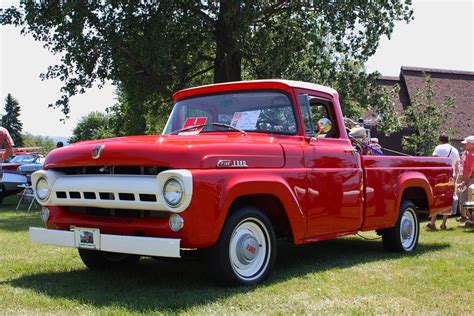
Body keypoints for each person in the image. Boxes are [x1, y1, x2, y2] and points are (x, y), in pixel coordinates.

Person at [426, 134, 460, 230]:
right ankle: (443, 224)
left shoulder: (438, 148)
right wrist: (456, 179)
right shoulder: (455, 150)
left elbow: (434, 161)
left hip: (440, 177)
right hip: (451, 177)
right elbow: (457, 167)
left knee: (438, 198)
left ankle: (432, 223)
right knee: (448, 199)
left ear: (440, 140)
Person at [459, 135, 474, 227]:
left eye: (466, 144)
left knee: (467, 200)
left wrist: (464, 182)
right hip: (471, 179)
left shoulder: (470, 155)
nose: (465, 146)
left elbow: (469, 170)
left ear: (472, 144)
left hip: (471, 180)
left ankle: (471, 221)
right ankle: (470, 220)